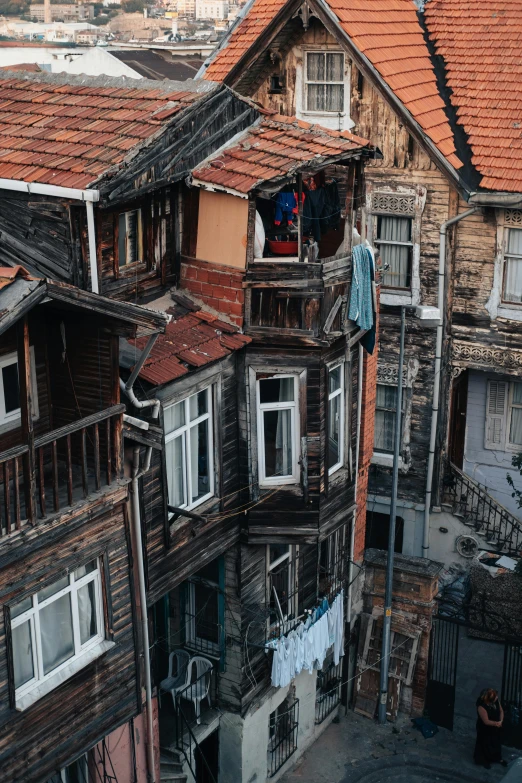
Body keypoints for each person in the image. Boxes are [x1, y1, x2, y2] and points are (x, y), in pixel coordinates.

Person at [474, 688, 508, 769]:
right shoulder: (481, 707)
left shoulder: (496, 700)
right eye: (495, 697)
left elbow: (501, 711)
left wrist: (501, 720)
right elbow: (486, 721)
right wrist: (496, 723)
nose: (497, 698)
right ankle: (484, 761)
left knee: (496, 743)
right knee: (485, 744)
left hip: (496, 727)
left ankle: (497, 758)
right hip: (485, 729)